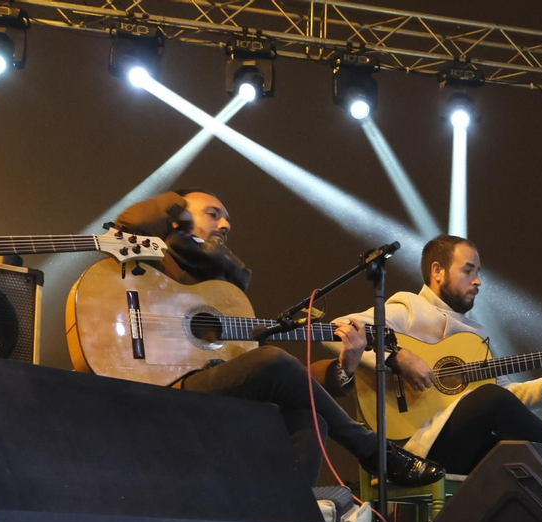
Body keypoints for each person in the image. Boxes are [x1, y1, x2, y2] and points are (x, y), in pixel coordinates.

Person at [111, 190, 443, 490]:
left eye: (226, 218)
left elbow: (281, 378)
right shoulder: (151, 257)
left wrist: (345, 366)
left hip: (209, 389)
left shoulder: (222, 288)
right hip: (159, 386)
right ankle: (373, 451)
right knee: (273, 359)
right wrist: (176, 201)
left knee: (309, 420)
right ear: (178, 217)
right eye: (213, 214)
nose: (225, 224)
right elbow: (125, 224)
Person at [338, 235, 542, 475]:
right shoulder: (408, 308)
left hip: (458, 443)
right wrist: (397, 357)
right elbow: (342, 329)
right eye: (468, 271)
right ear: (437, 271)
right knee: (491, 402)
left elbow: (505, 396)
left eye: (478, 272)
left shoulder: (473, 335)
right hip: (412, 449)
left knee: (520, 457)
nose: (478, 281)